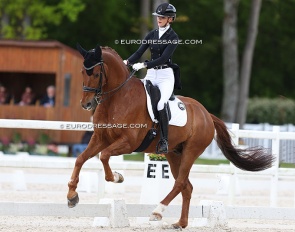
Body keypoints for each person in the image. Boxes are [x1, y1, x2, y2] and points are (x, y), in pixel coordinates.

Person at [123, 3, 178, 154]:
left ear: (170, 19)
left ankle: (164, 140)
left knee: (160, 104)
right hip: (151, 75)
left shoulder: (173, 37)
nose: (159, 19)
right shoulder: (152, 34)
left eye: (162, 17)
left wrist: (144, 65)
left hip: (165, 76)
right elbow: (139, 51)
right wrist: (127, 62)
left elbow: (164, 58)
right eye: (158, 16)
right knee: (137, 97)